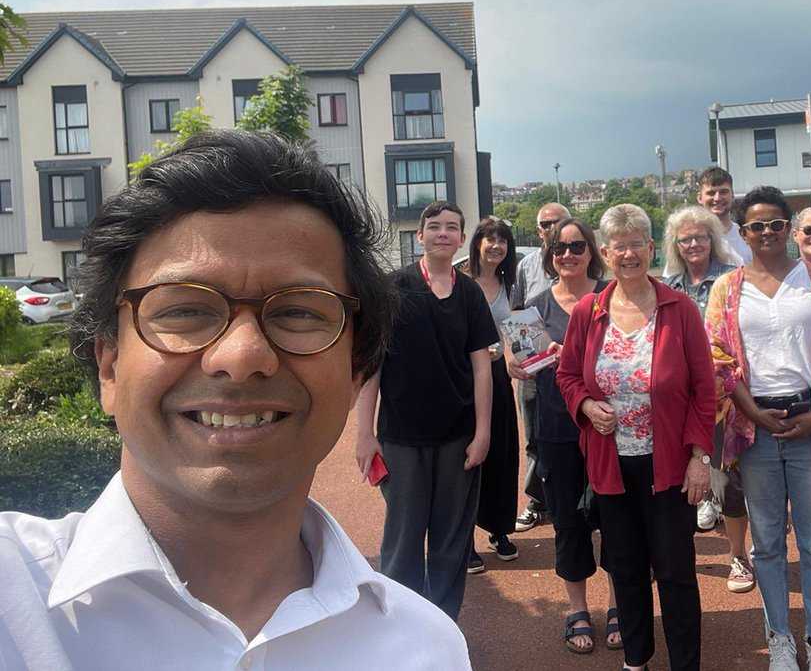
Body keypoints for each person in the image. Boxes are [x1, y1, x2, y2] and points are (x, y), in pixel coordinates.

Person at [0, 131, 469, 669]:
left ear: (355, 367)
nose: (243, 355)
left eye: (299, 311)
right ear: (109, 365)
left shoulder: (427, 649)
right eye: (183, 310)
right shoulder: (13, 602)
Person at [707, 185, 811, 671]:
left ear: (789, 228)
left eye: (777, 224)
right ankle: (779, 638)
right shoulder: (727, 289)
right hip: (754, 427)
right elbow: (717, 356)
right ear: (744, 231)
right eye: (757, 225)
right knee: (769, 542)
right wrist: (752, 412)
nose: (768, 233)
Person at [557, 204, 716, 671]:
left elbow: (705, 389)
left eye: (637, 244)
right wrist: (586, 406)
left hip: (668, 464)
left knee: (675, 572)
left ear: (651, 249)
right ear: (605, 253)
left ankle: (685, 663)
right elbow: (567, 376)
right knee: (625, 568)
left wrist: (699, 456)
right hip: (611, 465)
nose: (629, 254)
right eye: (619, 246)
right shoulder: (589, 311)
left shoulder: (679, 308)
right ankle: (636, 659)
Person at [355, 200, 496, 621]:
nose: (443, 234)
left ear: (460, 238)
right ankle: (400, 627)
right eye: (434, 227)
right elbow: (371, 365)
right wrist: (364, 433)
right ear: (420, 236)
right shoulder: (393, 287)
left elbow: (482, 367)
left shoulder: (469, 293)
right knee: (402, 540)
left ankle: (443, 627)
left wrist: (483, 431)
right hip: (402, 437)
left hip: (458, 436)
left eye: (452, 228)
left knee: (451, 543)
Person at [520, 217, 621, 655]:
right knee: (566, 520)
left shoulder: (613, 296)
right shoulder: (537, 303)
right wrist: (518, 364)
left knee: (618, 518)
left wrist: (576, 355)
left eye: (577, 246)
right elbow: (525, 362)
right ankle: (577, 608)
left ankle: (621, 604)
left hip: (609, 426)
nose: (568, 255)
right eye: (559, 248)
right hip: (557, 428)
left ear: (591, 250)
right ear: (549, 255)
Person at [661, 205, 753, 593]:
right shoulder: (667, 285)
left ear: (713, 239)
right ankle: (674, 556)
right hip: (674, 399)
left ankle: (737, 554)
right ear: (676, 245)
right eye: (686, 239)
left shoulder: (732, 280)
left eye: (700, 236)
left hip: (721, 396)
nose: (694, 244)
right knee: (672, 479)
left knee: (727, 480)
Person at [464, 216, 521, 573]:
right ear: (478, 243)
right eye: (490, 239)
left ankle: (500, 530)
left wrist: (513, 356)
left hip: (498, 376)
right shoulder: (460, 281)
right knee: (466, 455)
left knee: (502, 451)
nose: (496, 246)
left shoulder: (509, 285)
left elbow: (515, 332)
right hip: (462, 378)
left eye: (503, 241)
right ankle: (464, 537)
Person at [511, 201, 569, 532]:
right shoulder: (526, 266)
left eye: (558, 222)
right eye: (546, 224)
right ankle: (539, 499)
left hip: (575, 367)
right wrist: (523, 359)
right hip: (536, 368)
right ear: (538, 230)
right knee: (534, 436)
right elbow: (518, 311)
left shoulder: (580, 258)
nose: (552, 228)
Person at [697, 166, 751, 265]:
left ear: (732, 195)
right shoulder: (691, 240)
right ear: (700, 198)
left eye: (723, 192)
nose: (717, 198)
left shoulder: (748, 238)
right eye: (711, 193)